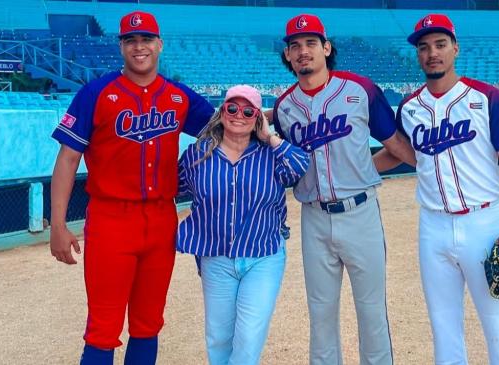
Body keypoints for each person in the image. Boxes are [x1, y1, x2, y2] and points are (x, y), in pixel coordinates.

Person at [49, 10, 215, 365]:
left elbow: (229, 126)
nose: (139, 47)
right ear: (121, 46)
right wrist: (58, 225)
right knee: (103, 327)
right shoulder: (96, 92)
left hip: (161, 218)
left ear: (159, 45)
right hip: (111, 218)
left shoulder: (179, 96)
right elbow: (67, 159)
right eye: (131, 40)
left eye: (146, 40)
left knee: (148, 323)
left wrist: (271, 119)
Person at [374, 13, 499, 365]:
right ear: (417, 55)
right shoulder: (410, 107)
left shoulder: (488, 98)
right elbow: (397, 153)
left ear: (455, 48)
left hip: (484, 222)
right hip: (433, 227)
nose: (432, 53)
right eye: (424, 47)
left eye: (440, 44)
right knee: (444, 328)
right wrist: (351, 171)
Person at [271, 14, 416, 365]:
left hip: (360, 212)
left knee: (371, 312)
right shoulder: (284, 108)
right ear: (288, 56)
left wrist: (433, 168)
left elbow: (395, 144)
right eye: (295, 46)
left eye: (310, 43)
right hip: (314, 217)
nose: (303, 51)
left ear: (326, 47)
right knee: (320, 314)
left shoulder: (359, 89)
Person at [176, 85, 309, 365]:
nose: (239, 115)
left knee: (249, 335)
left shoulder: (271, 154)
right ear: (222, 111)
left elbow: (301, 166)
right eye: (232, 108)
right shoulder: (198, 155)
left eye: (249, 111)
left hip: (263, 255)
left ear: (258, 117)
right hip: (216, 258)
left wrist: (269, 137)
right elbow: (171, 186)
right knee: (219, 337)